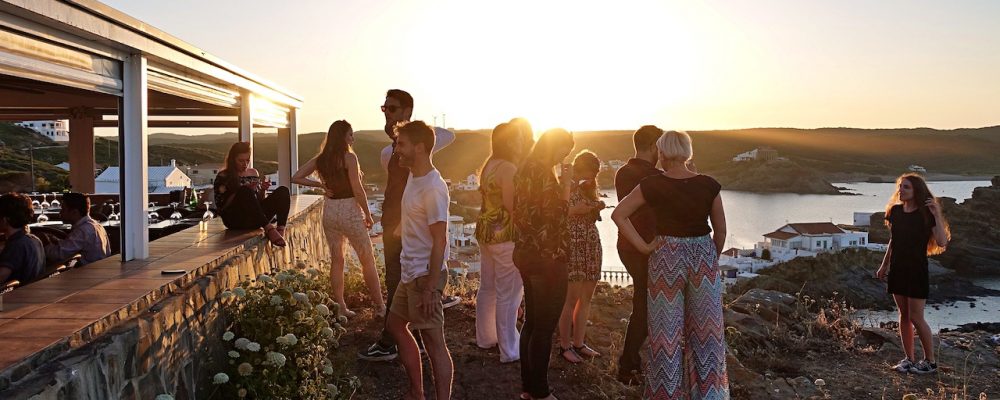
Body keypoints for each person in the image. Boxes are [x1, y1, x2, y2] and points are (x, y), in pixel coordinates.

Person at [612, 130, 729, 400]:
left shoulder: (652, 184)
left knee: (665, 333)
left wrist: (643, 246)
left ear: (661, 153)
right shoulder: (709, 185)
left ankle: (665, 394)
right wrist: (712, 257)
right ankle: (709, 394)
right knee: (706, 332)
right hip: (702, 255)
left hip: (666, 256)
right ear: (688, 153)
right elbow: (720, 231)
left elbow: (619, 215)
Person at [359, 89, 456, 361]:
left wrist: (415, 131)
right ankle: (407, 339)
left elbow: (447, 135)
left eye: (392, 108)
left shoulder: (415, 153)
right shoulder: (388, 152)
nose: (386, 114)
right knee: (399, 284)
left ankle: (392, 343)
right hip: (393, 225)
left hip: (406, 228)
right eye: (384, 108)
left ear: (406, 111)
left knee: (403, 281)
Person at [386, 121, 454, 400]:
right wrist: (401, 228)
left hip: (425, 275)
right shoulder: (415, 175)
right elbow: (419, 218)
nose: (396, 150)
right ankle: (417, 392)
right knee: (394, 324)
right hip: (410, 271)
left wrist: (429, 288)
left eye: (401, 144)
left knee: (434, 343)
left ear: (420, 147)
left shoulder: (434, 188)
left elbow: (440, 240)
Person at [293, 120, 385, 318]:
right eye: (350, 134)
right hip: (349, 210)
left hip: (330, 211)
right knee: (367, 259)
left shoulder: (322, 159)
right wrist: (367, 214)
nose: (353, 138)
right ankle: (379, 306)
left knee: (337, 260)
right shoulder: (349, 158)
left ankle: (341, 307)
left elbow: (297, 176)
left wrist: (320, 186)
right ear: (343, 137)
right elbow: (357, 188)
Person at [514, 128, 575, 400]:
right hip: (548, 257)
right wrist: (566, 188)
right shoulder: (545, 175)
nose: (564, 156)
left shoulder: (524, 168)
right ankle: (540, 392)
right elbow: (554, 218)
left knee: (532, 323)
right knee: (543, 327)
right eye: (563, 150)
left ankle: (529, 388)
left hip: (525, 252)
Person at [876, 173, 950, 374]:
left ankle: (930, 362)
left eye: (906, 187)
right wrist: (884, 266)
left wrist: (936, 214)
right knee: (904, 316)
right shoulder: (896, 211)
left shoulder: (926, 215)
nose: (901, 190)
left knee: (917, 317)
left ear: (916, 190)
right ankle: (909, 358)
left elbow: (942, 243)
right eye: (900, 186)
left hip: (916, 269)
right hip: (898, 269)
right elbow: (894, 240)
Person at [614, 125, 663, 384]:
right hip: (646, 246)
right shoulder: (654, 176)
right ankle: (628, 364)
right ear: (656, 146)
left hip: (627, 246)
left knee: (642, 302)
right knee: (644, 306)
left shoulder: (623, 172)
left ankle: (632, 360)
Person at [474, 122, 525, 363]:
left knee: (488, 287)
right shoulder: (509, 168)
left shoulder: (489, 166)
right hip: (504, 235)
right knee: (509, 292)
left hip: (485, 232)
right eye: (517, 138)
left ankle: (486, 338)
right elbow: (511, 205)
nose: (521, 142)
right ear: (509, 141)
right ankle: (509, 349)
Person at [557, 150, 605, 363]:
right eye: (589, 171)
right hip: (573, 245)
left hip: (591, 244)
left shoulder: (590, 188)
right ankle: (565, 345)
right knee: (570, 299)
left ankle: (579, 343)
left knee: (586, 298)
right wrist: (574, 209)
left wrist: (596, 206)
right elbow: (556, 213)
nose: (593, 175)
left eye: (595, 172)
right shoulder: (565, 185)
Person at [213, 142, 290, 247]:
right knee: (245, 191)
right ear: (233, 160)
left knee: (283, 191)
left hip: (255, 218)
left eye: (247, 160)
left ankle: (280, 230)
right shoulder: (223, 176)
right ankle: (270, 229)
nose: (245, 164)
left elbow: (258, 202)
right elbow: (222, 207)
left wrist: (262, 190)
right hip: (235, 219)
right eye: (241, 161)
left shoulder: (253, 173)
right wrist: (239, 192)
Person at [43, 192, 110, 266]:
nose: (60, 212)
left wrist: (45, 243)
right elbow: (72, 245)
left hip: (87, 273)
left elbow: (58, 255)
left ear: (74, 212)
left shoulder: (82, 230)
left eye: (63, 209)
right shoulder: (96, 226)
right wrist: (58, 241)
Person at [0, 193, 44, 285]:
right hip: (31, 292)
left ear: (5, 220)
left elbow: (1, 276)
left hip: (15, 296)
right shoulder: (34, 240)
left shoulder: (16, 245)